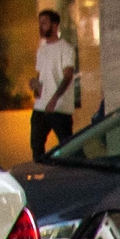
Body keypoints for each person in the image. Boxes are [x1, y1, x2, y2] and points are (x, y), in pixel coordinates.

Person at [29, 9, 78, 159]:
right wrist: (36, 86)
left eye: (44, 23)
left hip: (59, 107)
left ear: (55, 25)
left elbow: (68, 76)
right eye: (40, 23)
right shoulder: (41, 50)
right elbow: (42, 76)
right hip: (40, 106)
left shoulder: (66, 49)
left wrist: (54, 98)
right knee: (36, 144)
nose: (41, 27)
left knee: (66, 147)